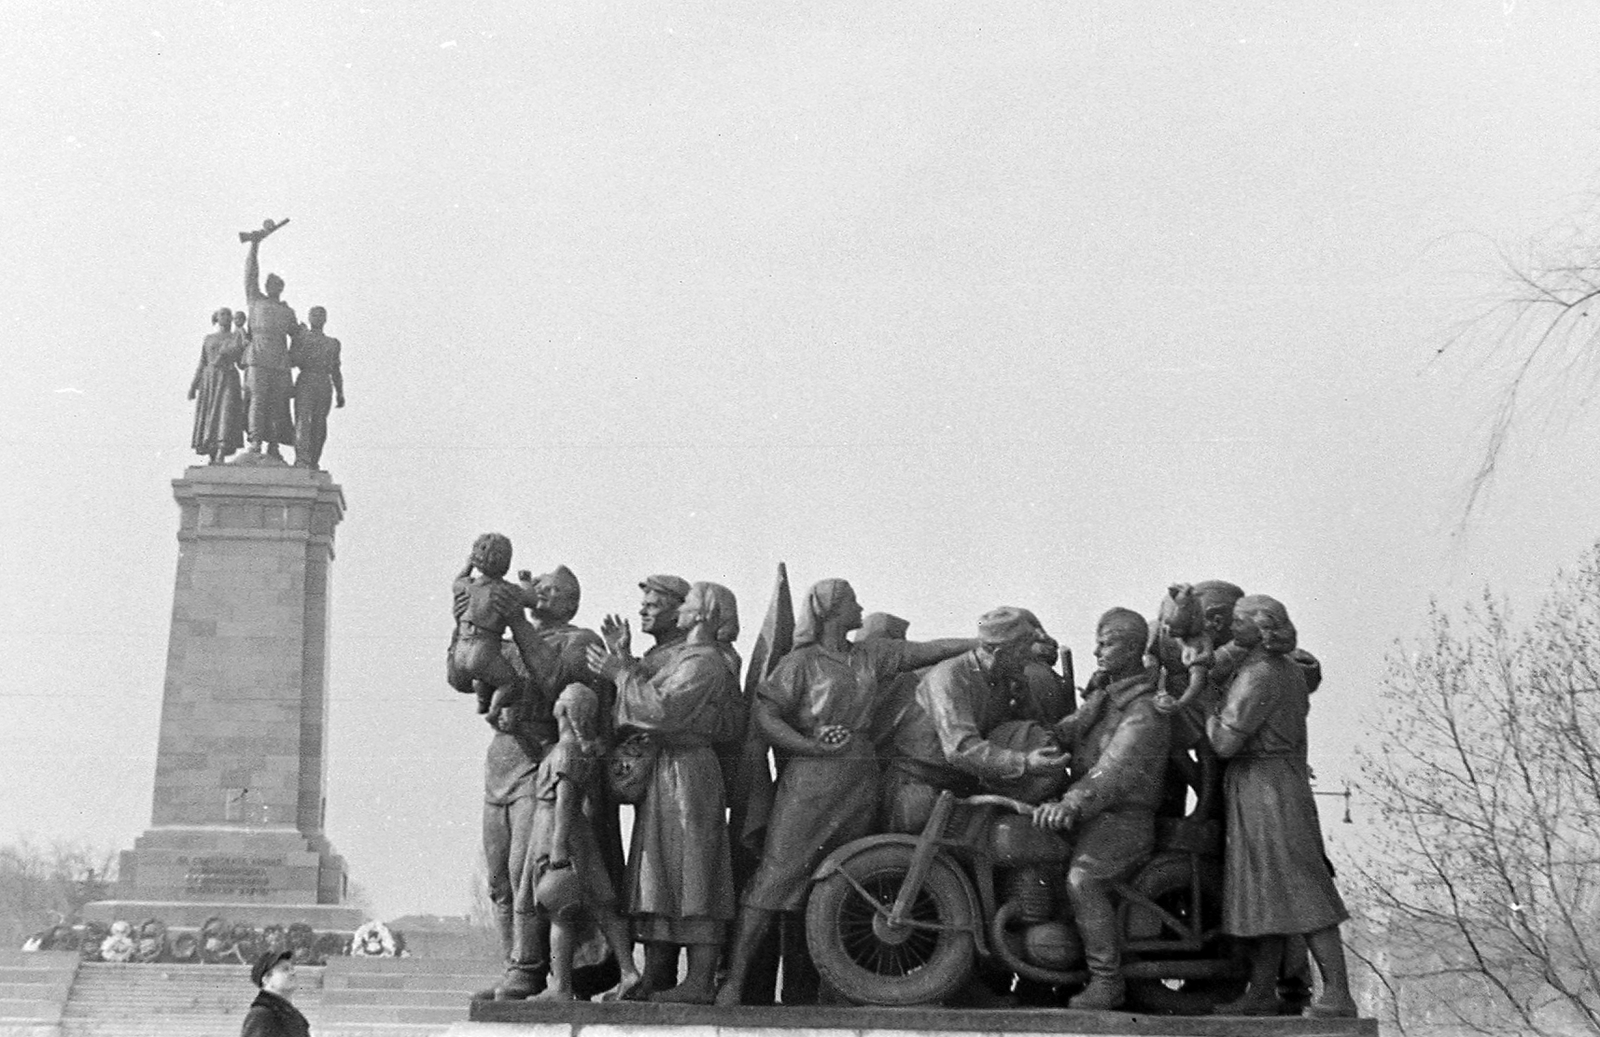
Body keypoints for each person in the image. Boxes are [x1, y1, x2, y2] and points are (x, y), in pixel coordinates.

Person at [715, 580, 974, 1005]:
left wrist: (985, 640)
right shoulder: (801, 663)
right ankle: (734, 981)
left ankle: (833, 989)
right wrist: (807, 744)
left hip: (860, 777)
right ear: (830, 610)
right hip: (812, 780)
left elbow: (931, 649)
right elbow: (767, 715)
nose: (860, 607)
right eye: (852, 600)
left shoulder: (871, 654)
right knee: (777, 876)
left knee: (848, 881)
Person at [587, 582, 745, 1004]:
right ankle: (658, 973)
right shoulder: (688, 658)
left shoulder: (707, 663)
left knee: (695, 872)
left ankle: (699, 980)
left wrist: (622, 672)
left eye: (687, 605)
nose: (680, 612)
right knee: (657, 871)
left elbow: (663, 711)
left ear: (704, 615)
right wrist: (624, 663)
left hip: (689, 774)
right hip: (666, 772)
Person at [1203, 595, 1356, 1018]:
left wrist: (1206, 705)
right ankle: (1262, 990)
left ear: (1261, 626)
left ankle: (1338, 994)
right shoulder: (1285, 669)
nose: (1232, 627)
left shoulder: (1260, 675)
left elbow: (1223, 741)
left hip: (1265, 790)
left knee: (1300, 888)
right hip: (1272, 785)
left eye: (1239, 621)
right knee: (1267, 891)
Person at [1032, 608, 1172, 1011]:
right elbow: (1065, 732)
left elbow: (1114, 771)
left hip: (1123, 820)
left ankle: (1106, 981)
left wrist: (1071, 804)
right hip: (1094, 816)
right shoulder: (1106, 699)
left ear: (1131, 648)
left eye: (1107, 642)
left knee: (1082, 880)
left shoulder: (1144, 710)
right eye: (1098, 641)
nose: (1097, 650)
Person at [880, 607, 1069, 833]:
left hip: (961, 785)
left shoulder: (1003, 678)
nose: (1029, 659)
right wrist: (1025, 762)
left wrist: (1024, 698)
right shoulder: (949, 677)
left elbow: (1023, 730)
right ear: (999, 654)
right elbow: (960, 749)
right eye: (1023, 653)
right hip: (918, 788)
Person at [526, 684, 643, 1001]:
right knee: (603, 906)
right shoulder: (576, 749)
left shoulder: (565, 751)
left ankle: (561, 987)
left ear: (565, 710)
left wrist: (558, 849)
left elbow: (565, 801)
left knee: (560, 911)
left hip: (559, 832)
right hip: (581, 836)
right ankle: (629, 971)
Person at [448, 534, 545, 723]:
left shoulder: (466, 586)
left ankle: (482, 701)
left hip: (461, 650)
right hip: (483, 649)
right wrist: (525, 580)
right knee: (510, 682)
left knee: (482, 675)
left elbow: (457, 580)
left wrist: (469, 565)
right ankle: (493, 710)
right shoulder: (507, 590)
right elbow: (532, 600)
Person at [241, 233, 298, 459]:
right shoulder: (256, 300)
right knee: (257, 401)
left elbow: (298, 337)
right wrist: (254, 246)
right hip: (257, 358)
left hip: (280, 362)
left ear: (281, 288)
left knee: (277, 406)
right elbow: (250, 274)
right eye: (269, 283)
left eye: (276, 285)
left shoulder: (287, 312)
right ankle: (255, 442)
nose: (271, 286)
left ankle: (273, 445)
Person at [288, 306, 344, 469]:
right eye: (314, 315)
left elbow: (336, 369)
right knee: (303, 421)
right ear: (309, 317)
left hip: (324, 383)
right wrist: (298, 338)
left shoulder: (332, 343)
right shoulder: (302, 338)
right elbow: (292, 360)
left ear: (325, 319)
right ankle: (302, 459)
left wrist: (340, 392)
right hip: (306, 379)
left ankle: (314, 460)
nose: (317, 318)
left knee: (319, 424)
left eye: (320, 315)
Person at [188, 307, 246, 464]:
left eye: (229, 314)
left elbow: (242, 363)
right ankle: (212, 451)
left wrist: (243, 342)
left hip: (228, 377)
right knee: (209, 415)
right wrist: (194, 386)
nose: (226, 317)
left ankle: (222, 447)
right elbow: (202, 363)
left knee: (226, 412)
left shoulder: (237, 336)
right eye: (223, 314)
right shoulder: (209, 339)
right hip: (210, 380)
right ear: (216, 318)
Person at [242, 949, 310, 1037]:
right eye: (285, 970)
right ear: (266, 979)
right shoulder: (261, 1014)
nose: (293, 972)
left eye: (292, 968)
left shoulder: (291, 1015)